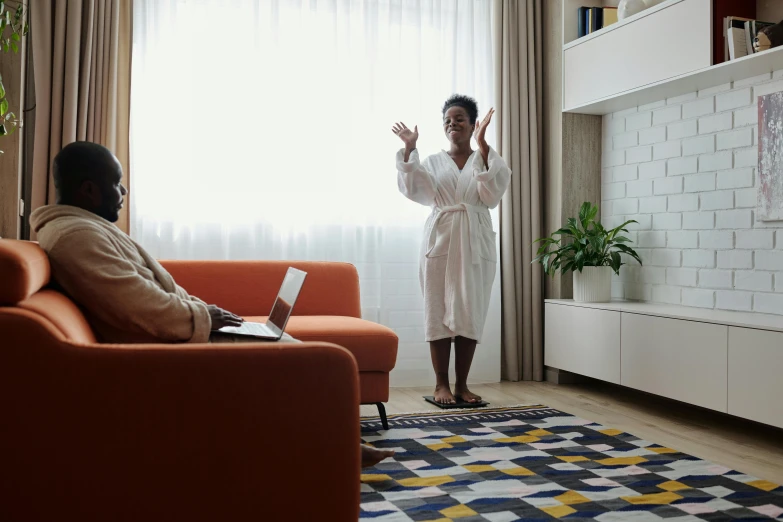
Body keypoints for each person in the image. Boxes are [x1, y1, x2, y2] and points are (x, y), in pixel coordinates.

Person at [29, 141, 393, 467]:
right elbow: (142, 307)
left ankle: (334, 444)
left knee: (296, 349)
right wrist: (205, 316)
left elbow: (145, 296)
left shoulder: (83, 229)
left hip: (173, 338)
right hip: (166, 352)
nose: (124, 191)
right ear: (89, 190)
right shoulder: (76, 238)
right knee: (316, 360)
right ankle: (331, 452)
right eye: (116, 183)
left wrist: (209, 313)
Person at [392, 94, 511, 405]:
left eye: (459, 119)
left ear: (473, 124)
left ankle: (463, 385)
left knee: (470, 310)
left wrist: (483, 145)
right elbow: (414, 188)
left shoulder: (486, 158)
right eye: (447, 120)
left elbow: (491, 195)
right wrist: (409, 148)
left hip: (474, 237)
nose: (452, 124)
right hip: (441, 237)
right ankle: (440, 385)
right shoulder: (432, 162)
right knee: (438, 311)